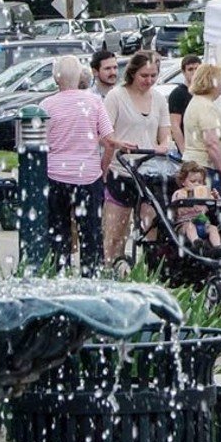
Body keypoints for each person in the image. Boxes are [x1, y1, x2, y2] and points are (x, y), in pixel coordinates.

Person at [42, 54, 115, 275]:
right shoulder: (94, 102)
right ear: (81, 76)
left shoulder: (46, 105)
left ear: (56, 79)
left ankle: (59, 271)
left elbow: (39, 146)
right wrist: (103, 169)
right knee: (91, 231)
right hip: (89, 175)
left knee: (59, 229)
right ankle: (91, 274)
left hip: (56, 175)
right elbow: (109, 140)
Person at [101, 51, 172, 264]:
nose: (148, 81)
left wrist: (163, 145)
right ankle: (111, 265)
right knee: (115, 232)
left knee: (150, 227)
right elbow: (105, 133)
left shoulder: (158, 99)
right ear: (133, 73)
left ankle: (148, 266)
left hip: (147, 172)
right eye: (144, 76)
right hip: (121, 169)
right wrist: (117, 143)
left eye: (153, 76)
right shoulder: (116, 96)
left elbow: (165, 132)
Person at [183, 62, 221, 200]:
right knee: (213, 209)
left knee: (200, 209)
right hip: (208, 168)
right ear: (212, 83)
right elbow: (211, 143)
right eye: (220, 81)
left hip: (198, 165)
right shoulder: (206, 107)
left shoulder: (196, 103)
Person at [170, 161, 221, 255]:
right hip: (184, 224)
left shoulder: (205, 193)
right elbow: (176, 207)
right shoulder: (180, 193)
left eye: (200, 182)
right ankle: (196, 242)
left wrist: (216, 197)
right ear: (183, 182)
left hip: (202, 222)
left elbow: (217, 204)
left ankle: (217, 246)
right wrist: (190, 200)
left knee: (213, 228)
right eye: (193, 181)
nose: (197, 184)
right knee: (190, 226)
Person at [167, 53, 202, 152]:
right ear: (183, 71)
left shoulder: (202, 93)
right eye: (190, 69)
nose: (194, 72)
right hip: (188, 147)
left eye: (197, 69)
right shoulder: (178, 94)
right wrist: (183, 150)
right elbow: (175, 125)